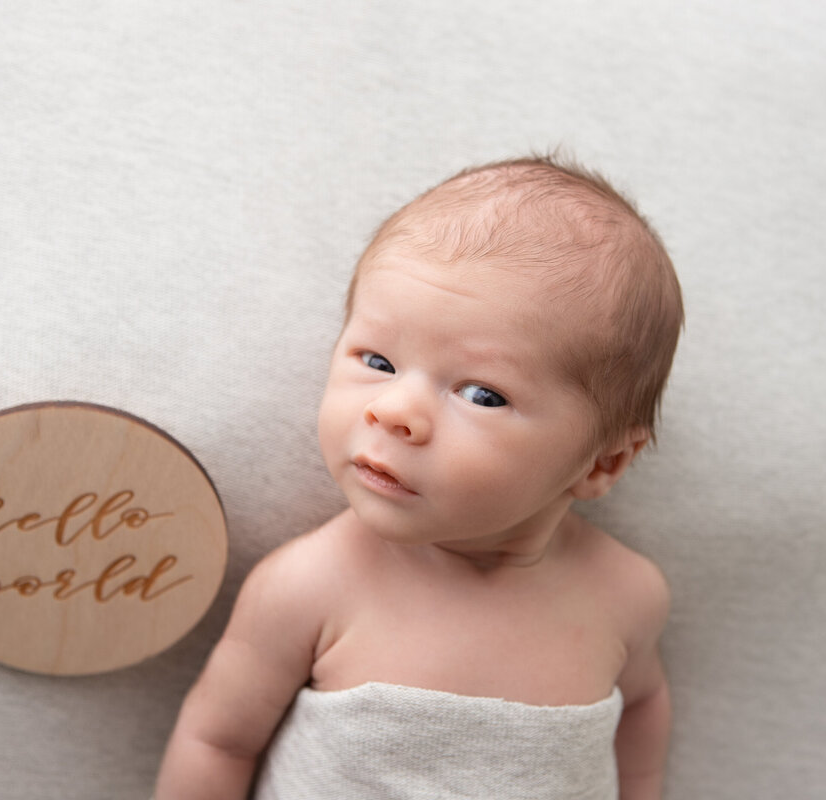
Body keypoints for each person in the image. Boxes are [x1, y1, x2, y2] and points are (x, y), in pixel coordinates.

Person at [156, 154, 683, 800]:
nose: (395, 410)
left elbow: (642, 709)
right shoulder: (309, 587)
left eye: (482, 395)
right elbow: (217, 740)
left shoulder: (625, 596)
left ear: (603, 463)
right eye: (377, 360)